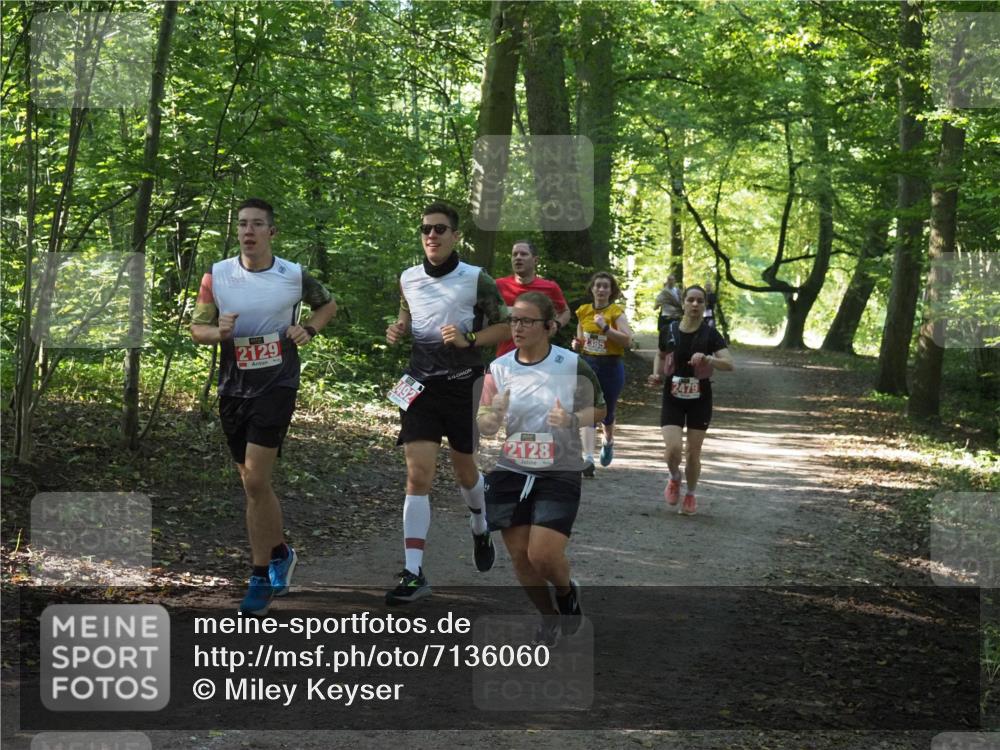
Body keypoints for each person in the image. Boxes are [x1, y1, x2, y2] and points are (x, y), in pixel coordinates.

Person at [191, 198, 338, 615]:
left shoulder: (293, 275)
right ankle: (281, 552)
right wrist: (218, 332)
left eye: (257, 224)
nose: (248, 231)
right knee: (252, 483)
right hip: (233, 386)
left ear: (272, 232)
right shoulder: (216, 275)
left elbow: (327, 305)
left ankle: (258, 576)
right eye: (242, 224)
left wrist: (309, 329)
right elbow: (197, 328)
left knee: (256, 480)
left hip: (277, 384)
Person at [384, 202, 510, 605]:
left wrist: (469, 338)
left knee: (464, 470)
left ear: (456, 235)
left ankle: (480, 524)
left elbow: (505, 327)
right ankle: (413, 572)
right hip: (419, 387)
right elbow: (406, 311)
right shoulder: (408, 277)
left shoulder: (476, 278)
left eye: (440, 229)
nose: (432, 236)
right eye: (426, 229)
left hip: (463, 385)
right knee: (417, 475)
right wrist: (399, 327)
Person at [478, 291, 606, 645]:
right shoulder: (499, 368)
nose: (517, 328)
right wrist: (494, 413)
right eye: (513, 321)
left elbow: (600, 409)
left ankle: (566, 593)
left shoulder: (571, 364)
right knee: (521, 558)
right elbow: (485, 426)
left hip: (559, 467)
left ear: (548, 326)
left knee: (543, 555)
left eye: (526, 321)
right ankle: (548, 617)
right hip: (512, 467)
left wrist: (571, 419)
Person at [647, 284, 734, 516]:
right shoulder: (669, 329)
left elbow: (729, 363)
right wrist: (656, 374)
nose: (695, 304)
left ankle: (691, 494)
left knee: (693, 453)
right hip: (672, 397)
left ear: (705, 306)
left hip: (700, 399)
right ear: (683, 303)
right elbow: (660, 354)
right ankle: (674, 477)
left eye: (700, 301)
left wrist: (708, 359)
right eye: (691, 300)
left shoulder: (710, 334)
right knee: (673, 449)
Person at [573, 271, 633, 476]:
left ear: (611, 291)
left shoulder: (616, 312)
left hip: (611, 365)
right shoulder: (583, 311)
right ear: (592, 289)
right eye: (597, 285)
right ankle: (588, 459)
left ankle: (608, 441)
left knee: (607, 411)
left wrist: (606, 328)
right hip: (589, 364)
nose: (601, 289)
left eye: (605, 286)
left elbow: (627, 340)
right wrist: (577, 345)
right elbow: (581, 340)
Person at [494, 240, 571, 358]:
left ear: (535, 260)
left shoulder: (550, 287)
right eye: (515, 254)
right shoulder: (498, 285)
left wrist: (557, 324)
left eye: (523, 254)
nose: (518, 257)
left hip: (538, 356)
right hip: (505, 357)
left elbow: (565, 311)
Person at [652, 274, 683, 379]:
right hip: (665, 319)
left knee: (676, 342)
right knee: (664, 344)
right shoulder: (663, 293)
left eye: (672, 279)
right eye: (669, 279)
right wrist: (660, 303)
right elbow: (655, 307)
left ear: (674, 281)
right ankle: (660, 371)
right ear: (667, 280)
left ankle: (674, 365)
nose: (670, 281)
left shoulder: (678, 291)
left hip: (676, 318)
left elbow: (682, 303)